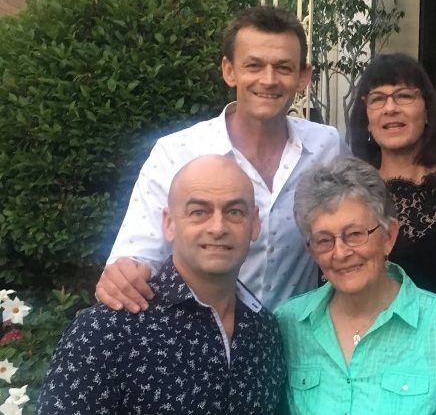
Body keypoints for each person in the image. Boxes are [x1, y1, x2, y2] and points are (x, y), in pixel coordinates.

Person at [96, 6, 436, 313]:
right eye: (253, 65)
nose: (268, 79)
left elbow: (366, 196)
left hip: (297, 347)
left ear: (303, 77)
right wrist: (123, 276)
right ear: (229, 70)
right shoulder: (176, 153)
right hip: (196, 345)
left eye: (283, 67)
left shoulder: (326, 146)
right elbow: (135, 259)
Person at [37, 155, 285, 414]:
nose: (217, 227)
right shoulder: (104, 332)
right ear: (169, 224)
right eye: (199, 212)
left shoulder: (265, 331)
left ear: (255, 223)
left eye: (234, 212)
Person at [275, 156, 436, 414]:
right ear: (311, 251)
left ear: (389, 236)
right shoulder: (289, 324)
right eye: (324, 240)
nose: (340, 253)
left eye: (355, 234)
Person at [349, 53, 436, 309]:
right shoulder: (350, 192)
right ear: (367, 120)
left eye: (404, 96)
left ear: (426, 112)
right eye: (378, 99)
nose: (391, 108)